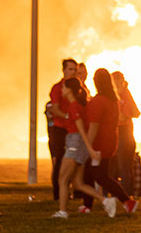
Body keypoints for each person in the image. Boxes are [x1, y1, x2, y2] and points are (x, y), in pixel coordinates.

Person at [53, 78, 134, 218]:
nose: (62, 90)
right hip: (77, 143)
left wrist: (89, 149)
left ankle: (63, 211)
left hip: (74, 143)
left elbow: (81, 131)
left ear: (70, 90)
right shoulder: (79, 105)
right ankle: (106, 201)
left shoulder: (74, 106)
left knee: (63, 178)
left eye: (64, 88)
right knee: (78, 183)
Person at [85, 68, 138, 217]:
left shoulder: (99, 101)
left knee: (98, 175)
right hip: (110, 142)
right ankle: (89, 204)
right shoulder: (113, 100)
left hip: (99, 144)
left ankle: (125, 201)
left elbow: (94, 126)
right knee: (96, 174)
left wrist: (88, 145)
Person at [47, 58, 78, 201]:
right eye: (70, 69)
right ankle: (58, 194)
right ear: (64, 70)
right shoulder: (57, 88)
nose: (73, 72)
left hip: (72, 129)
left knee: (74, 162)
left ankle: (73, 192)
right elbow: (55, 109)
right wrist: (69, 117)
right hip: (60, 129)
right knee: (59, 161)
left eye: (74, 70)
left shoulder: (78, 86)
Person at [112, 70, 141, 196]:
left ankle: (125, 195)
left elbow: (128, 115)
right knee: (115, 167)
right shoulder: (115, 94)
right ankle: (118, 194)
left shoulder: (124, 94)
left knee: (124, 166)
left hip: (124, 133)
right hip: (118, 132)